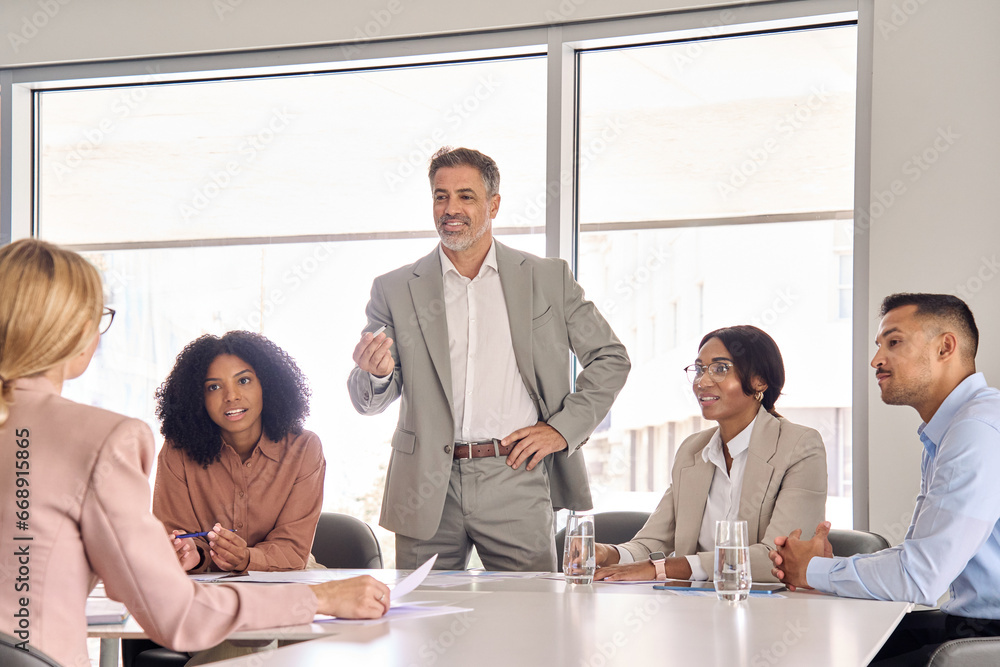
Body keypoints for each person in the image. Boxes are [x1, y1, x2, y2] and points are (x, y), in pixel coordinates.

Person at [0, 239, 388, 667]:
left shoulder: (303, 447)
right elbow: (178, 614)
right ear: (73, 331)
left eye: (244, 381)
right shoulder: (104, 439)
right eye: (98, 318)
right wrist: (320, 597)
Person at [348, 146, 630, 571]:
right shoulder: (394, 289)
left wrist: (560, 430)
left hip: (514, 475)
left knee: (529, 621)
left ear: (493, 204)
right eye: (440, 196)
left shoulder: (547, 279)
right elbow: (367, 398)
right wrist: (379, 374)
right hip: (426, 484)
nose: (451, 208)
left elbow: (610, 358)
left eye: (466, 196)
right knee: (423, 622)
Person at [769, 293, 1000, 665]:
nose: (876, 360)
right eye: (879, 346)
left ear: (945, 347)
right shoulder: (951, 428)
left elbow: (920, 578)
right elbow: (916, 559)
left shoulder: (977, 430)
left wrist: (813, 570)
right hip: (969, 623)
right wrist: (825, 571)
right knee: (831, 641)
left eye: (894, 342)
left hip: (989, 635)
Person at [593, 325, 827, 582]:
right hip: (692, 607)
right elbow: (651, 545)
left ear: (759, 380)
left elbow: (777, 559)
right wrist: (607, 552)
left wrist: (663, 569)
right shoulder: (692, 451)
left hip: (766, 610)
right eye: (699, 369)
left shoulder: (799, 446)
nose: (702, 382)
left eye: (720, 369)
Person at [154, 331, 324, 574]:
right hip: (206, 589)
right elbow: (177, 539)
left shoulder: (304, 448)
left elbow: (293, 550)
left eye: (243, 381)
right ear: (197, 397)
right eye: (213, 387)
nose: (231, 396)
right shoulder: (177, 452)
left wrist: (247, 558)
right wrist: (192, 553)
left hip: (288, 580)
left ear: (267, 384)